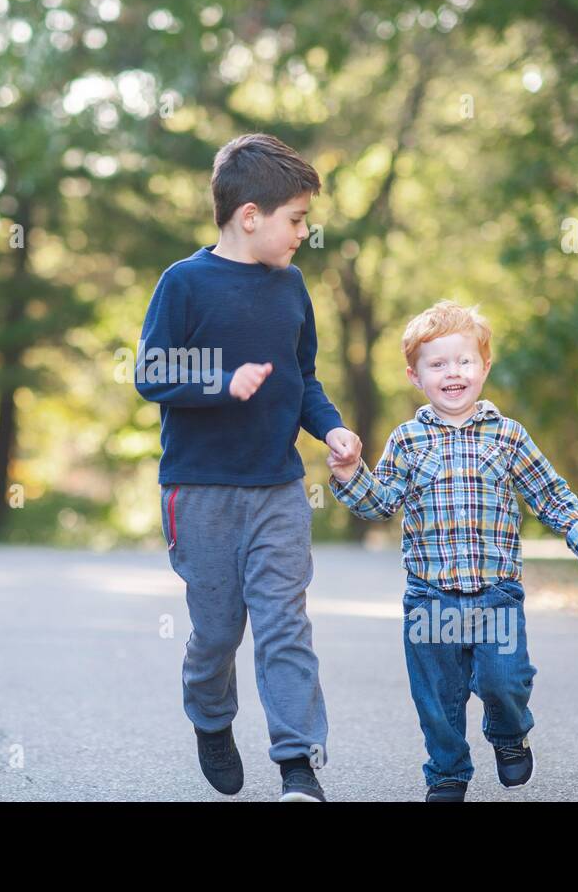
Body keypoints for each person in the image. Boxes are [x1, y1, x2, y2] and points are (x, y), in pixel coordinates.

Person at [135, 133, 362, 801]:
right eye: (296, 219)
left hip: (277, 489)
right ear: (249, 215)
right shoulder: (183, 282)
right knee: (216, 631)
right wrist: (221, 379)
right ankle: (211, 715)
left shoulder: (292, 288)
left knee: (285, 622)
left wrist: (331, 428)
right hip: (198, 491)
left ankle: (298, 764)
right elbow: (150, 371)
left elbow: (305, 378)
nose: (303, 233)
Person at [328, 299, 578, 801]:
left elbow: (548, 494)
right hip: (430, 596)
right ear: (416, 377)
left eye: (463, 361)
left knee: (505, 681)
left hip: (496, 594)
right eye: (437, 364)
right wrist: (351, 475)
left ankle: (508, 734)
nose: (452, 373)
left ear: (484, 366)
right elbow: (382, 503)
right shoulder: (408, 441)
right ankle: (447, 774)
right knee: (438, 698)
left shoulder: (508, 436)